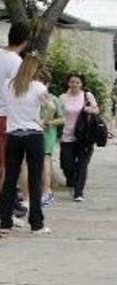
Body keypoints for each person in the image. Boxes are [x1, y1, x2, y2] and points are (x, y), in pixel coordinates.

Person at [0, 22, 30, 225]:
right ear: (25, 41)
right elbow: (19, 93)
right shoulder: (16, 62)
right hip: (6, 118)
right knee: (10, 168)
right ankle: (6, 212)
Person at [0, 52, 50, 234]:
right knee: (35, 179)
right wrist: (42, 121)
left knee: (10, 178)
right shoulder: (38, 87)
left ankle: (5, 221)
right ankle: (36, 223)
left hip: (13, 134)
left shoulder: (8, 85)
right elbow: (51, 106)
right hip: (34, 134)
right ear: (36, 69)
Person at [58, 72, 100, 202]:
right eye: (72, 82)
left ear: (81, 84)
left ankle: (78, 193)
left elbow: (96, 110)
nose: (74, 84)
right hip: (67, 135)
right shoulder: (62, 97)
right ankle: (72, 181)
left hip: (84, 136)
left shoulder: (87, 96)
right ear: (68, 83)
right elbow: (58, 114)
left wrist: (88, 109)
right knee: (66, 164)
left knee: (82, 165)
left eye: (77, 82)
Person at [38, 70, 62, 204]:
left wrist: (48, 122)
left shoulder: (53, 99)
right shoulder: (31, 96)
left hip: (47, 134)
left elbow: (63, 118)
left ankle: (47, 191)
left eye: (41, 82)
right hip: (33, 132)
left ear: (47, 84)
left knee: (45, 161)